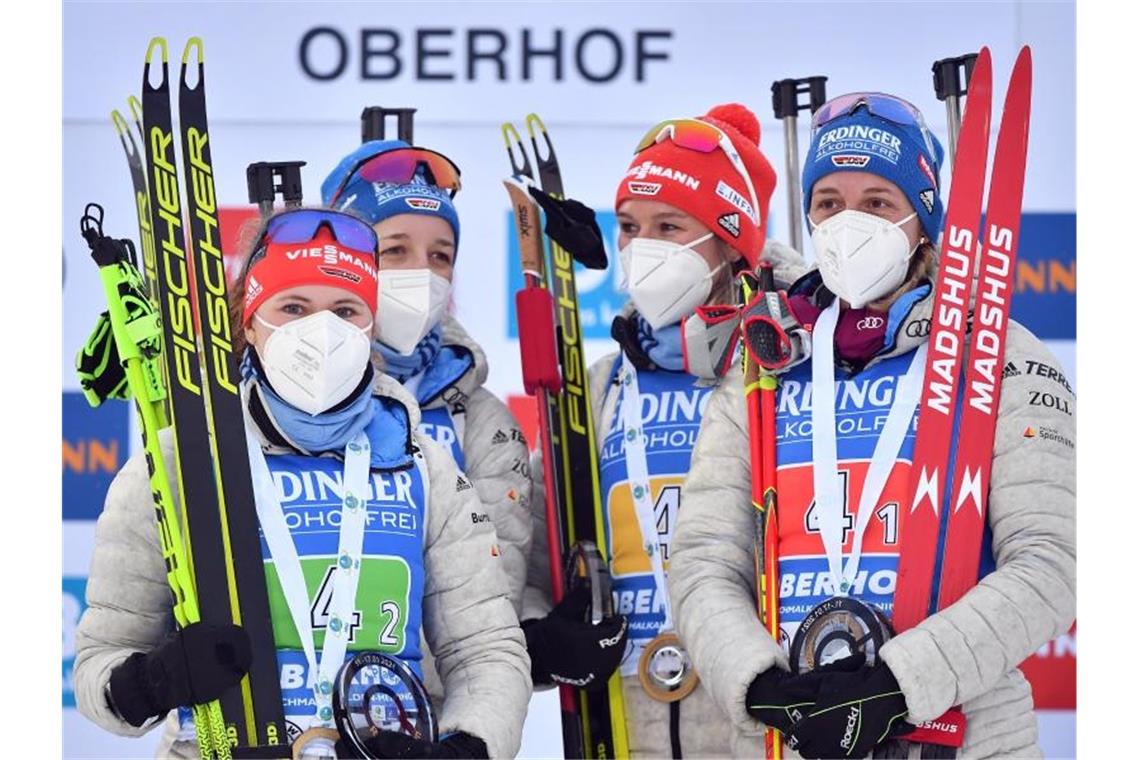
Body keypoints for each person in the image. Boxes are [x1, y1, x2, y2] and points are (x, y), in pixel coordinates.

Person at [669, 93, 1076, 759]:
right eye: (828, 203)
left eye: (878, 203)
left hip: (961, 735)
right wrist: (762, 685)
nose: (848, 223)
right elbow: (704, 558)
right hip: (791, 733)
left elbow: (1052, 562)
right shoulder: (767, 361)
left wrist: (897, 684)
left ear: (922, 220)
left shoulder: (1002, 354)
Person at [72, 208, 531, 759]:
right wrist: (151, 683)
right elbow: (100, 660)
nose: (322, 332)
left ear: (370, 323)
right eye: (293, 308)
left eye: (344, 310)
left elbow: (486, 649)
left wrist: (466, 750)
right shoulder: (179, 461)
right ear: (249, 322)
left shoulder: (424, 465)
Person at [527, 102, 802, 758]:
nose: (641, 246)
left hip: (759, 720)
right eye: (628, 226)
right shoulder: (596, 389)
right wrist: (545, 633)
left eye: (669, 226)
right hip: (630, 723)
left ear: (730, 245)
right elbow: (533, 558)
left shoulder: (788, 372)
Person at [320, 140, 628, 698]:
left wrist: (536, 640)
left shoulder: (479, 414)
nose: (423, 273)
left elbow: (499, 587)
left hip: (436, 724)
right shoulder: (288, 400)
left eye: (440, 256)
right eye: (395, 250)